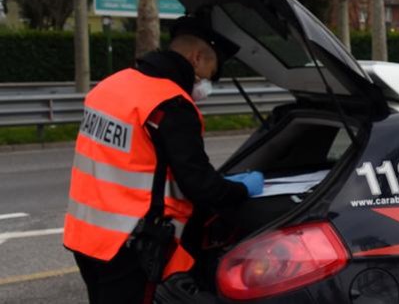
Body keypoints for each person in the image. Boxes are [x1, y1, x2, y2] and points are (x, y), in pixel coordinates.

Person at [63, 16, 264, 304]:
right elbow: (201, 187)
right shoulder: (171, 105)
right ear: (196, 58)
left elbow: (137, 162)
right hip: (128, 246)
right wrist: (242, 189)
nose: (206, 85)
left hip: (85, 235)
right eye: (209, 75)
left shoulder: (110, 86)